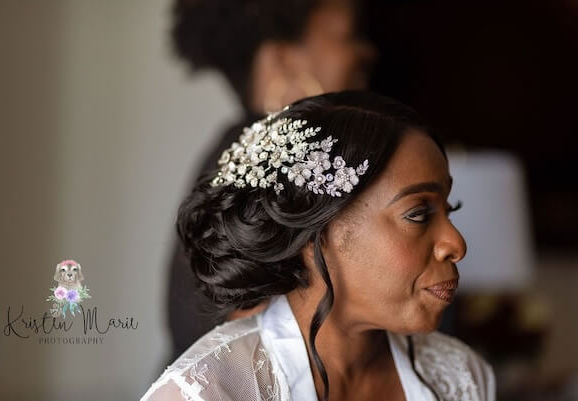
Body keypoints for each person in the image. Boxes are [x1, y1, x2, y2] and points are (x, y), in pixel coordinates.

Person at [142, 91, 496, 401]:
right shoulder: (210, 392)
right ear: (316, 233)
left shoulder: (460, 376)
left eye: (450, 211)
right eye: (419, 214)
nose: (456, 244)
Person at [167, 0, 377, 362]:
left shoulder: (251, 154)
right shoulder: (265, 171)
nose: (365, 51)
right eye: (348, 35)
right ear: (283, 59)